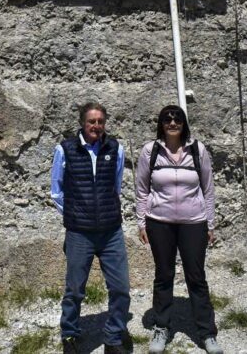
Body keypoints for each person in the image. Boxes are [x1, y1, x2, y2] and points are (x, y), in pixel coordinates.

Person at [135, 105, 222, 354]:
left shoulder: (197, 150)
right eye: (167, 119)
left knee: (196, 277)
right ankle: (162, 327)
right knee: (164, 275)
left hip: (193, 222)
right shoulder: (150, 151)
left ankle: (207, 333)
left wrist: (210, 223)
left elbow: (208, 189)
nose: (172, 123)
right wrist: (141, 222)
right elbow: (142, 190)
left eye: (177, 120)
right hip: (158, 222)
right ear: (161, 124)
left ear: (184, 124)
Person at [50, 101, 130, 354]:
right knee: (74, 289)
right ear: (82, 123)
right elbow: (56, 191)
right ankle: (70, 335)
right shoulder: (65, 150)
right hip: (79, 233)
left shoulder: (115, 149)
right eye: (91, 121)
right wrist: (76, 215)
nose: (96, 126)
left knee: (120, 287)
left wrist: (102, 211)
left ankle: (114, 337)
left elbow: (116, 186)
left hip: (111, 232)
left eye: (100, 121)